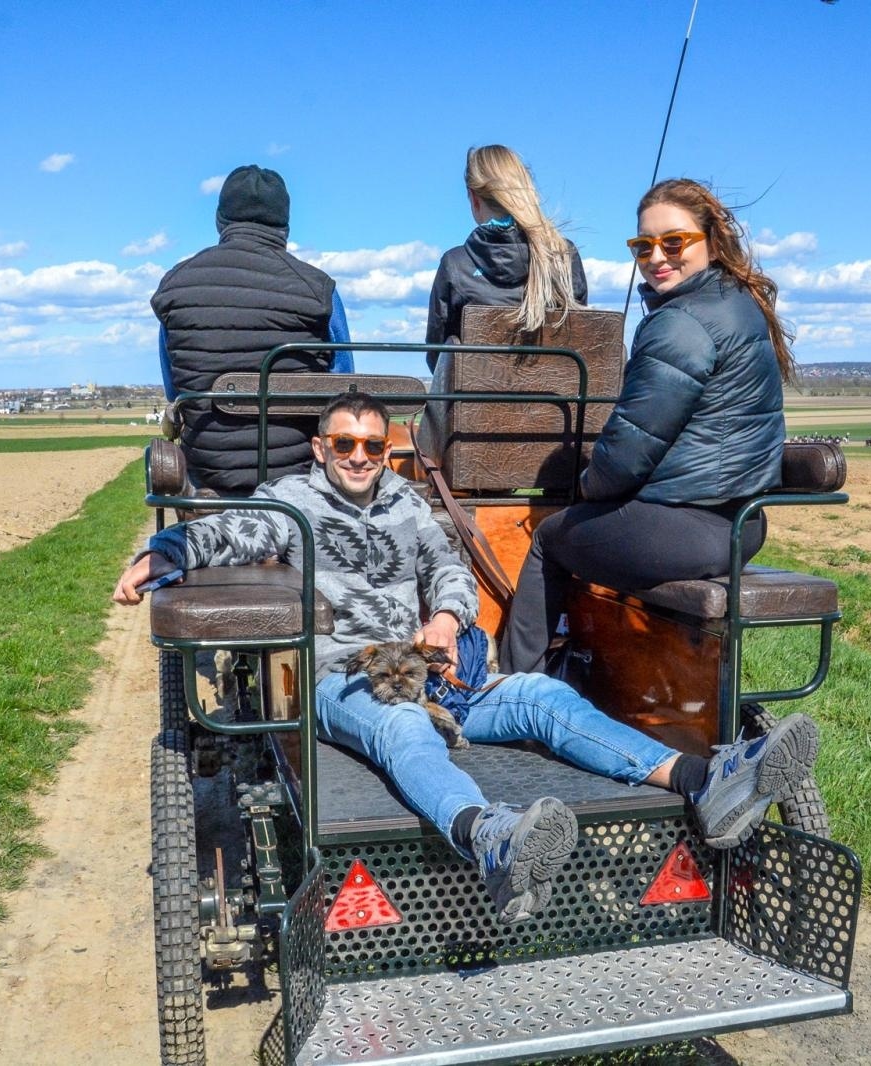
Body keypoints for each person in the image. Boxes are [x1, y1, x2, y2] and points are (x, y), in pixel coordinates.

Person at [114, 392, 818, 925]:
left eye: (372, 445)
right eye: (344, 444)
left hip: (432, 672)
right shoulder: (290, 503)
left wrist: (449, 618)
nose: (359, 457)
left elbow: (448, 567)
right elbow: (232, 532)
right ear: (321, 449)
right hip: (346, 677)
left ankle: (702, 779)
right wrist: (165, 552)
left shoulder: (406, 501)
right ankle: (490, 837)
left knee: (543, 697)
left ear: (386, 449)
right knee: (402, 724)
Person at [500, 179, 796, 675]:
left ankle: (513, 687)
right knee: (601, 525)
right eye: (643, 246)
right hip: (743, 525)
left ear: (711, 241)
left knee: (551, 539)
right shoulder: (738, 302)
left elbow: (630, 449)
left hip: (689, 529)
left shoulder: (680, 323)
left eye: (674, 242)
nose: (657, 257)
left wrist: (587, 485)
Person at [149, 164, 354, 496]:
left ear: (220, 221)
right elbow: (343, 383)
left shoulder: (175, 285)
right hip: (298, 473)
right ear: (285, 228)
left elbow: (175, 391)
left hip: (207, 475)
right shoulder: (318, 290)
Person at [417, 145, 588, 458]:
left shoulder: (455, 265)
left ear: (474, 198)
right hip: (556, 440)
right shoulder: (565, 257)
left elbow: (439, 361)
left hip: (472, 440)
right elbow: (577, 340)